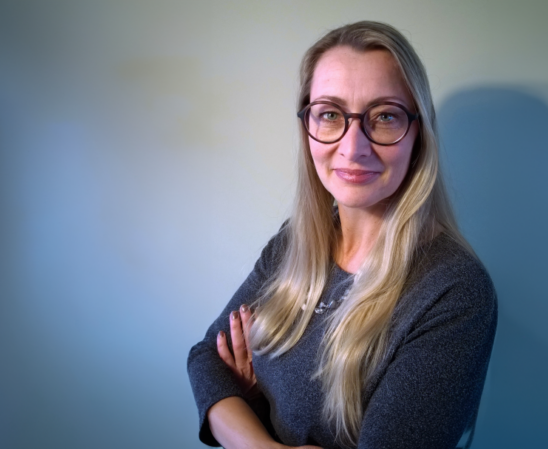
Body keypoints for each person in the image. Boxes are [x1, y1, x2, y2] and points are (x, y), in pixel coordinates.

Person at [187, 21, 497, 449]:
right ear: (307, 126)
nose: (353, 148)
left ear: (418, 135)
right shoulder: (296, 242)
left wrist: (252, 400)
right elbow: (207, 359)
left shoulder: (453, 291)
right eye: (331, 115)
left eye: (384, 116)